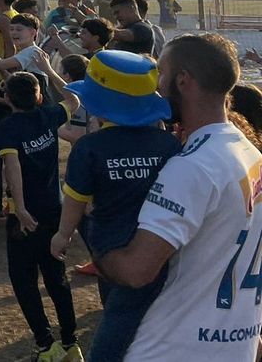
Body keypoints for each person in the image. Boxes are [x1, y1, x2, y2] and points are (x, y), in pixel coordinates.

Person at [96, 33, 262, 361]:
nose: (155, 85)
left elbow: (135, 270)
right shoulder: (250, 154)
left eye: (161, 73)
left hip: (172, 348)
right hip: (232, 346)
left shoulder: (191, 166)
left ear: (182, 80)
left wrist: (94, 231)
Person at [49, 50, 179, 360]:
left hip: (110, 244)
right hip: (161, 244)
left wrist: (63, 234)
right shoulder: (170, 145)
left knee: (116, 318)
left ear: (99, 106)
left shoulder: (90, 148)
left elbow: (76, 198)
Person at [0, 67, 82, 362]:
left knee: (23, 280)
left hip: (27, 216)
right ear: (39, 95)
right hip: (53, 210)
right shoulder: (49, 114)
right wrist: (48, 69)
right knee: (56, 277)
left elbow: (13, 166)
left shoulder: (8, 127)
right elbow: (74, 99)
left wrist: (19, 208)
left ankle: (47, 346)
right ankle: (71, 343)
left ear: (7, 97)